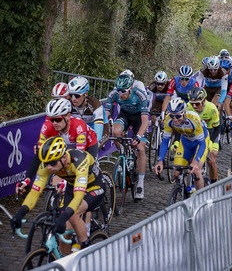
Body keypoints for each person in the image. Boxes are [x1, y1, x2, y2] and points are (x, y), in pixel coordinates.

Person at [11, 136, 105, 253]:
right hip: (73, 185)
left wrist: (64, 216)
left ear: (64, 157)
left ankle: (86, 250)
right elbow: (35, 191)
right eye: (46, 163)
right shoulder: (48, 165)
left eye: (53, 163)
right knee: (64, 236)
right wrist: (20, 213)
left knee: (73, 214)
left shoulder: (79, 161)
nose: (49, 167)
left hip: (94, 186)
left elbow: (79, 196)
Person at [16, 97, 99, 195]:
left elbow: (79, 157)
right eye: (52, 119)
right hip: (66, 149)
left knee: (85, 173)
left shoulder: (79, 126)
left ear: (67, 116)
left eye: (58, 119)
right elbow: (40, 156)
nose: (54, 123)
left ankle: (90, 203)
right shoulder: (47, 127)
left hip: (88, 145)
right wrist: (27, 180)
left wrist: (67, 180)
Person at [104, 72, 149, 200]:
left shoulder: (139, 95)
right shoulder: (114, 94)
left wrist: (138, 136)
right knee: (115, 132)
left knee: (140, 149)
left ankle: (140, 183)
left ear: (130, 88)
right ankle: (122, 153)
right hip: (125, 115)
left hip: (139, 118)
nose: (120, 94)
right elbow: (106, 110)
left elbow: (145, 121)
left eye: (123, 91)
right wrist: (109, 121)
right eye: (118, 91)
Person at [154, 98, 209, 190]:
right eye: (172, 116)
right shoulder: (168, 120)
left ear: (184, 113)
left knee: (196, 170)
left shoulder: (194, 119)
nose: (175, 119)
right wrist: (160, 161)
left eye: (178, 116)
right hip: (186, 142)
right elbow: (165, 141)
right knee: (176, 173)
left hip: (200, 142)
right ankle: (185, 194)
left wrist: (195, 162)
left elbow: (202, 144)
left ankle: (201, 199)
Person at [187, 87, 220, 183]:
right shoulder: (188, 107)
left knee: (211, 159)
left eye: (197, 103)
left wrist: (210, 142)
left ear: (204, 100)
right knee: (190, 159)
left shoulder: (212, 109)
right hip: (196, 133)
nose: (194, 106)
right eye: (192, 104)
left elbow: (217, 129)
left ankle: (214, 183)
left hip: (211, 132)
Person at [68, 76, 106, 145]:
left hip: (97, 129)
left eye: (77, 96)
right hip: (79, 132)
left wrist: (95, 144)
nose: (73, 99)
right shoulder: (68, 104)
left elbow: (98, 131)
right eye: (71, 95)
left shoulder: (95, 104)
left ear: (85, 94)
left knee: (95, 146)